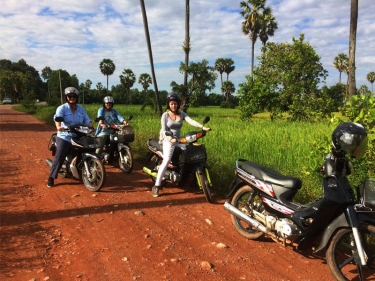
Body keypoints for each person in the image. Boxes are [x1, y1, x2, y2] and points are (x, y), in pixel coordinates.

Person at [152, 92, 210, 198]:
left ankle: (187, 176)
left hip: (178, 140)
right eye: (171, 104)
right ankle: (156, 185)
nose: (173, 106)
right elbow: (164, 130)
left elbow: (191, 121)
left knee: (189, 152)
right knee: (166, 160)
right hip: (167, 140)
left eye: (175, 104)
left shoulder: (182, 114)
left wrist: (203, 127)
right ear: (168, 105)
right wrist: (170, 138)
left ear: (178, 104)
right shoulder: (165, 115)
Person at [47, 87, 93, 187]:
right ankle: (51, 177)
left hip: (79, 134)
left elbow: (87, 120)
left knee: (89, 147)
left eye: (73, 96)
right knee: (60, 154)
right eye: (69, 96)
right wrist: (59, 127)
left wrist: (91, 126)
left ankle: (83, 168)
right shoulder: (62, 108)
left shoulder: (81, 108)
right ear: (66, 97)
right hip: (65, 136)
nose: (71, 98)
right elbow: (57, 118)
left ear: (76, 98)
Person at [95, 96, 129, 161]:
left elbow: (119, 117)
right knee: (100, 145)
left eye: (110, 103)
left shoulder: (114, 111)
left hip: (113, 131)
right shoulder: (101, 110)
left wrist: (125, 122)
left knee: (121, 140)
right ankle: (95, 160)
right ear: (104, 104)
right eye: (106, 103)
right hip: (103, 132)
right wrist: (102, 123)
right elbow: (100, 117)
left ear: (112, 104)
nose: (108, 105)